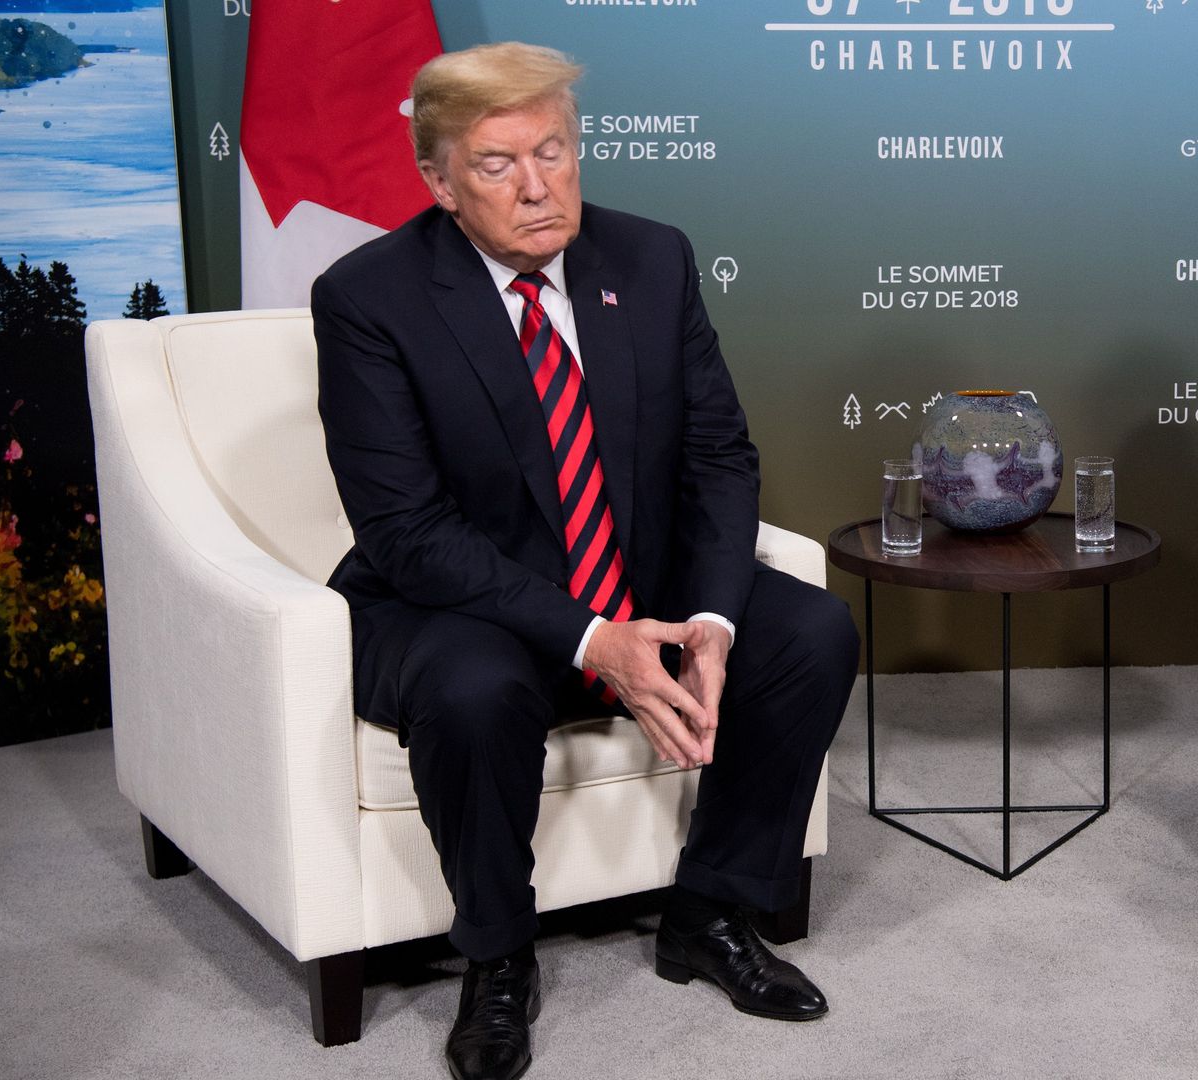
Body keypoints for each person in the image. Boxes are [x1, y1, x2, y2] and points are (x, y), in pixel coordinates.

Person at [313, 42, 858, 1080]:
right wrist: (593, 638)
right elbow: (408, 532)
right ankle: (497, 957)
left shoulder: (651, 260)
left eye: (555, 151)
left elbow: (717, 456)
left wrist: (709, 623)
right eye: (497, 164)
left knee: (811, 632)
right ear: (437, 180)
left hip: (630, 585)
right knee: (475, 688)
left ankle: (712, 909)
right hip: (451, 603)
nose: (537, 187)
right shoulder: (368, 298)